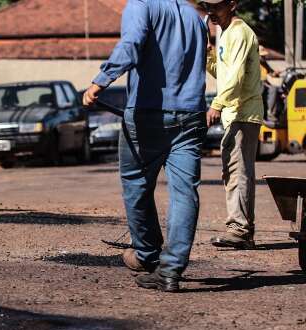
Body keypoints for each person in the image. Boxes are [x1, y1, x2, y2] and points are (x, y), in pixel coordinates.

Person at [83, 0, 208, 292]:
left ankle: (148, 255)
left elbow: (131, 44)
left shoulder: (141, 6)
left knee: (136, 183)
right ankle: (171, 269)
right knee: (184, 192)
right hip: (191, 115)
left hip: (147, 115)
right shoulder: (195, 17)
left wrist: (99, 82)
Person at [203, 0, 264, 249]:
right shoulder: (225, 32)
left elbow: (237, 78)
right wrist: (208, 56)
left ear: (232, 5)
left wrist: (216, 104)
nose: (211, 12)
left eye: (216, 6)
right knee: (233, 171)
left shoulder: (239, 32)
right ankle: (241, 229)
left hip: (243, 112)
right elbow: (226, 73)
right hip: (235, 112)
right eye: (207, 6)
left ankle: (240, 230)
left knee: (238, 171)